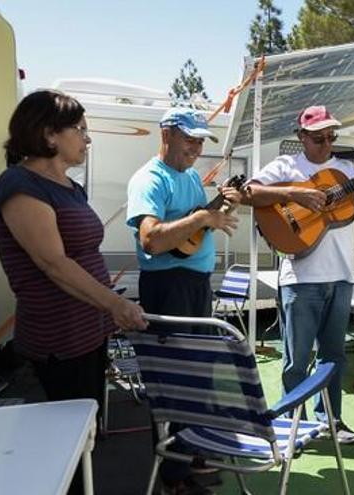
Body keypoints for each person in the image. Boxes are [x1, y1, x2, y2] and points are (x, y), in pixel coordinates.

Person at [0, 89, 147, 495]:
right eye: (80, 130)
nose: (87, 139)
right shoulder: (19, 184)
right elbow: (53, 264)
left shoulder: (68, 187)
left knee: (86, 439)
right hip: (57, 341)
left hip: (88, 334)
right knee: (60, 455)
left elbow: (80, 255)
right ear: (48, 135)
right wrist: (115, 304)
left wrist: (107, 308)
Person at [243, 105, 354, 444]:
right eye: (319, 137)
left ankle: (330, 421)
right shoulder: (287, 166)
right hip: (301, 278)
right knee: (297, 359)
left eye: (331, 136)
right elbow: (248, 192)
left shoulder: (346, 171)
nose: (326, 143)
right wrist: (294, 193)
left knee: (333, 356)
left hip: (341, 278)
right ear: (302, 137)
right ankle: (292, 425)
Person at [126, 107, 241, 495]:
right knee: (175, 378)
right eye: (189, 138)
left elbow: (200, 219)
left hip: (193, 285)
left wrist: (223, 206)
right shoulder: (149, 179)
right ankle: (174, 475)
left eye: (200, 140)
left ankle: (191, 454)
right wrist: (203, 220)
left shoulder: (191, 177)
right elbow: (153, 240)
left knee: (197, 374)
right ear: (167, 134)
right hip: (168, 285)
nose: (195, 147)